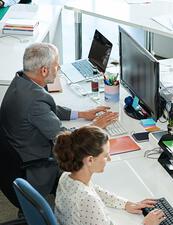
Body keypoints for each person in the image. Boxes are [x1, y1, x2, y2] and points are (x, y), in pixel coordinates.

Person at [53, 126, 166, 225]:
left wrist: (125, 204)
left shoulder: (68, 177)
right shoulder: (86, 201)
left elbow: (94, 189)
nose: (110, 159)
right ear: (90, 159)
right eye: (106, 156)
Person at [0, 43, 118, 196]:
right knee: (94, 160)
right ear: (44, 70)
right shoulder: (34, 102)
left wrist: (82, 114)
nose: (59, 68)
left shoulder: (21, 81)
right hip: (37, 168)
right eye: (56, 65)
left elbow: (48, 107)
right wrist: (95, 126)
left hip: (17, 155)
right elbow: (67, 139)